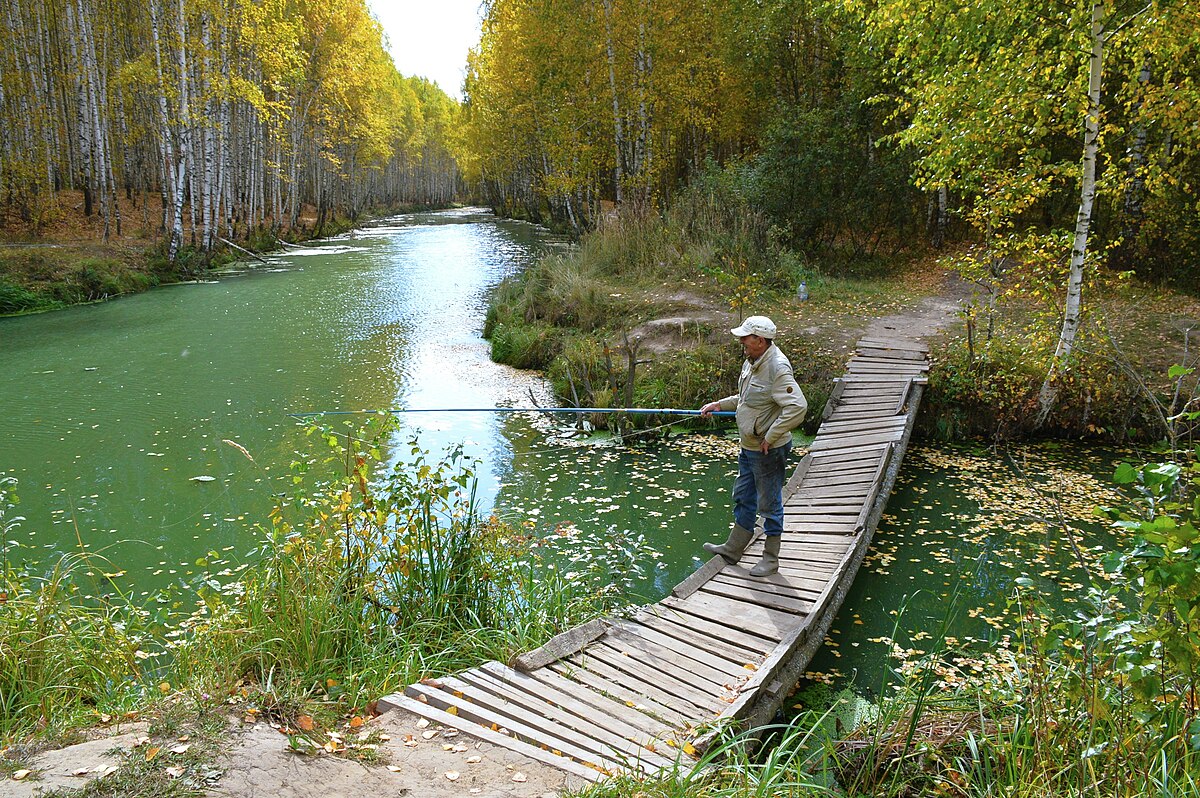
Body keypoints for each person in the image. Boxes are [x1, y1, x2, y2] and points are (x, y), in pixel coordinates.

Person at [699, 315, 807, 576]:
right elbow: (746, 398)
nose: (741, 342)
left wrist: (771, 435)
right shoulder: (752, 361)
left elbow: (797, 407)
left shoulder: (778, 367)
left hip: (767, 449)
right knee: (743, 495)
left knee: (769, 504)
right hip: (749, 446)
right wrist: (720, 404)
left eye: (745, 338)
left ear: (760, 340)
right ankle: (733, 548)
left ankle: (770, 559)